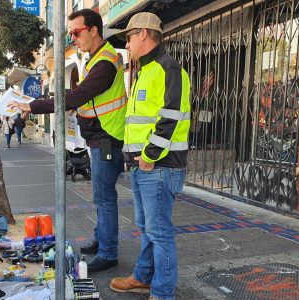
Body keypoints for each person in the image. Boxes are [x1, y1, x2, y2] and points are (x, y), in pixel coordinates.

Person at [9, 8, 127, 272]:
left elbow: (78, 96)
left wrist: (34, 106)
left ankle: (108, 253)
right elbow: (87, 97)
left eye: (76, 32)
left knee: (104, 197)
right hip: (100, 136)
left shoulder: (105, 61)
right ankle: (102, 239)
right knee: (101, 195)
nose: (73, 38)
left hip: (108, 137)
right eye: (70, 33)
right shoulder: (95, 58)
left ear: (93, 30)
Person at [109, 12, 191, 300]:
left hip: (159, 166)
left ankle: (162, 292)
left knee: (159, 233)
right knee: (147, 228)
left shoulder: (168, 68)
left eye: (129, 37)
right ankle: (143, 277)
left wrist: (150, 155)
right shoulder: (145, 70)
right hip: (144, 166)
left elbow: (171, 117)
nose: (127, 45)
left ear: (144, 34)